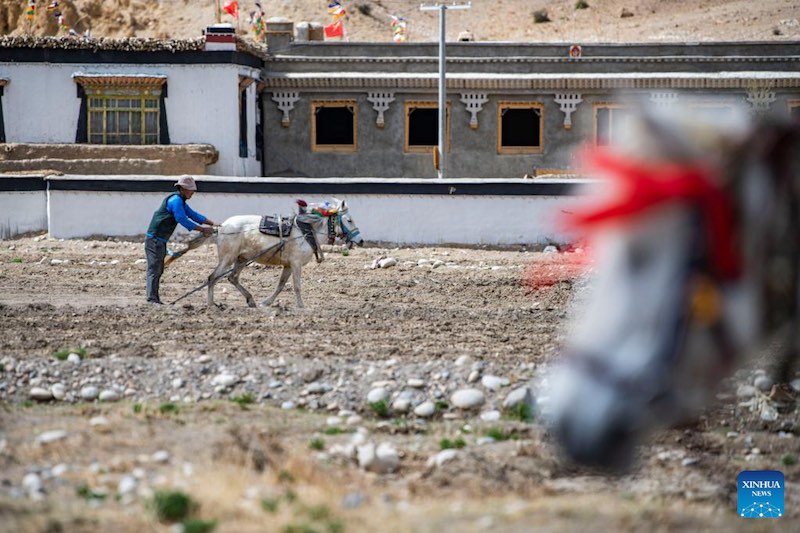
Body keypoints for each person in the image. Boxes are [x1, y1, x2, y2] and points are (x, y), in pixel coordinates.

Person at [144, 175, 216, 304]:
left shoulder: (181, 201)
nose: (192, 192)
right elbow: (182, 219)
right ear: (182, 188)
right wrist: (203, 230)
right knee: (154, 269)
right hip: (154, 239)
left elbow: (193, 215)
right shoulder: (175, 201)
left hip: (160, 240)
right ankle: (151, 299)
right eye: (190, 189)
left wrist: (212, 223)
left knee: (158, 269)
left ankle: (154, 298)